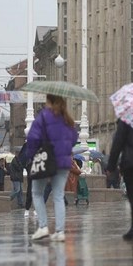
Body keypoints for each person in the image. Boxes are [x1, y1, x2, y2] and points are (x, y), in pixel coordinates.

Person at [26, 94, 78, 242]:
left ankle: (43, 227)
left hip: (46, 159)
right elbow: (73, 138)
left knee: (36, 192)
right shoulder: (67, 118)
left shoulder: (44, 116)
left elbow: (33, 138)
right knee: (58, 196)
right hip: (64, 162)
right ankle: (60, 231)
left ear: (49, 101)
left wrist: (32, 155)